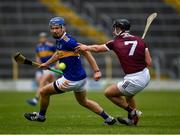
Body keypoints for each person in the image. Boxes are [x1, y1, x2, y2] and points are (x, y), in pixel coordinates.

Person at [24, 17, 116, 125]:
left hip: (71, 80)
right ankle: (108, 118)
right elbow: (58, 54)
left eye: (57, 28)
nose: (54, 30)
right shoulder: (59, 40)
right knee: (83, 101)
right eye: (52, 28)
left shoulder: (69, 42)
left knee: (43, 92)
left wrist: (96, 70)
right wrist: (46, 64)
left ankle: (41, 116)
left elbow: (86, 52)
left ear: (63, 28)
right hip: (81, 78)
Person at [75, 19, 152, 125]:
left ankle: (133, 112)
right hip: (145, 75)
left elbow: (97, 48)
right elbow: (148, 62)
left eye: (116, 28)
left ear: (121, 29)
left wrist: (86, 47)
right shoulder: (141, 41)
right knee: (129, 97)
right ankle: (132, 121)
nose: (114, 31)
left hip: (134, 79)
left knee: (109, 92)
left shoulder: (115, 42)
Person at [27, 32, 56, 106]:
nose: (42, 39)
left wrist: (57, 63)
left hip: (50, 67)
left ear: (46, 38)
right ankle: (48, 94)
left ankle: (35, 99)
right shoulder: (38, 47)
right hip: (42, 67)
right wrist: (38, 62)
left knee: (43, 81)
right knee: (42, 82)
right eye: (41, 37)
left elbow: (57, 54)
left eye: (44, 37)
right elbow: (37, 56)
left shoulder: (51, 46)